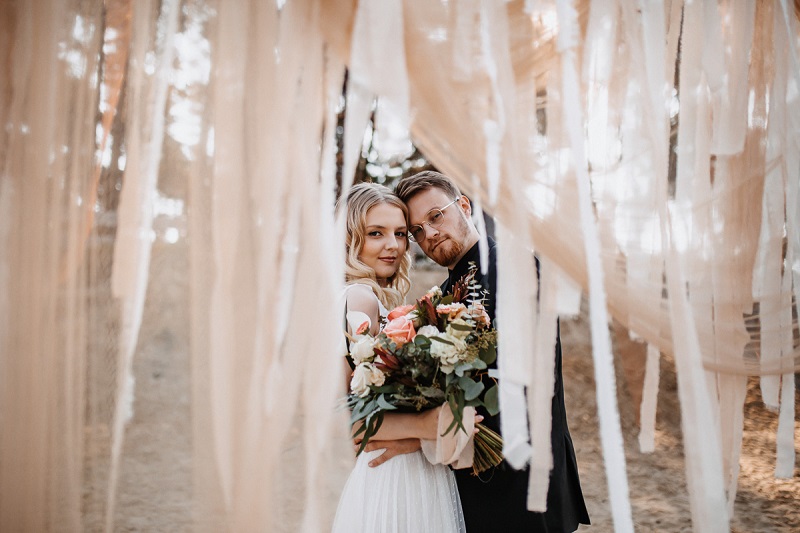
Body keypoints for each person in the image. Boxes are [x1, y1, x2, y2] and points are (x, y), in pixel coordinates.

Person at [364, 170, 590, 532]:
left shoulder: (511, 263)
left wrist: (422, 434)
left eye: (435, 216)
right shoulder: (440, 295)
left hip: (524, 475)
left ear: (464, 206)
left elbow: (524, 374)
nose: (430, 234)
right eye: (418, 231)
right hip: (471, 479)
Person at [331, 182, 471, 533]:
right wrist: (424, 427)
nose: (392, 245)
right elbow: (340, 419)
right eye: (375, 233)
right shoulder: (358, 298)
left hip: (398, 467)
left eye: (400, 233)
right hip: (393, 475)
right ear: (349, 239)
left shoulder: (373, 299)